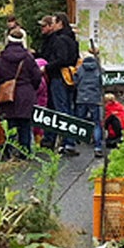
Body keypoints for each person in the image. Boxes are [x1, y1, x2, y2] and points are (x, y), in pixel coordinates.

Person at [0, 28, 42, 157]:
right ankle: (25, 152)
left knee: (10, 124)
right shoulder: (28, 57)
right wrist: (31, 89)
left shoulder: (2, 58)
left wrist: (3, 87)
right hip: (25, 93)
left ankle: (11, 152)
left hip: (8, 95)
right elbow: (37, 76)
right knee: (25, 124)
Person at [41, 12, 80, 155]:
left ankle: (68, 142)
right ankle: (69, 140)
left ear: (60, 23)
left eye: (54, 22)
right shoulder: (73, 39)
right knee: (68, 108)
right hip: (70, 76)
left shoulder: (59, 40)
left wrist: (46, 67)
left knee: (61, 109)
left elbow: (60, 59)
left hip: (59, 77)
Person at [74, 50, 104, 157]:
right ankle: (98, 147)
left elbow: (75, 82)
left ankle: (75, 143)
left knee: (78, 121)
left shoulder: (80, 69)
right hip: (95, 99)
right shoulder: (99, 69)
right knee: (96, 123)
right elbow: (103, 82)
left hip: (81, 98)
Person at [33, 58, 50, 144]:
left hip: (38, 103)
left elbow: (37, 90)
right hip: (42, 103)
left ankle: (37, 142)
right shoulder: (44, 79)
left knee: (37, 126)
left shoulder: (39, 80)